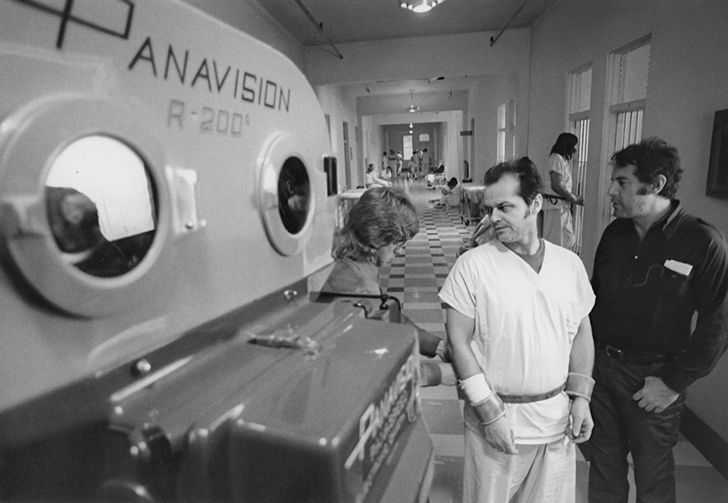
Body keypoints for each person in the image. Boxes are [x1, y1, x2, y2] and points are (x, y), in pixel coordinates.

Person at [439, 157, 596, 503]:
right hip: (497, 423)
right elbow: (458, 341)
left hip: (556, 422)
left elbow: (581, 334)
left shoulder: (569, 265)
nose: (493, 218)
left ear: (535, 204)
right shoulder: (473, 266)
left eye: (505, 207)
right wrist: (488, 412)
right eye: (489, 209)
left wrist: (581, 398)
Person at [588, 137, 728, 503]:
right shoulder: (615, 234)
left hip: (653, 378)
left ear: (657, 184)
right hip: (602, 371)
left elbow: (718, 325)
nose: (610, 191)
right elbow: (593, 299)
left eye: (622, 182)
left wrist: (672, 383)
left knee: (653, 478)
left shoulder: (702, 241)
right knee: (603, 470)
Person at [321, 186, 455, 385]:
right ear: (376, 236)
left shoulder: (351, 261)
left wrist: (437, 346)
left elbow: (388, 316)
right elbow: (372, 367)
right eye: (397, 243)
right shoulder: (358, 287)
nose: (400, 251)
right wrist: (436, 374)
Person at [541, 132, 583, 249]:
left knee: (568, 239)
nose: (576, 148)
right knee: (554, 242)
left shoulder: (562, 160)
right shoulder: (556, 158)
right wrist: (573, 198)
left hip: (562, 205)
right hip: (555, 206)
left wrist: (572, 197)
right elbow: (557, 185)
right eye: (575, 145)